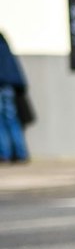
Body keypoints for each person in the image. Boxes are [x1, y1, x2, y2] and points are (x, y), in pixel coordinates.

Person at [0, 29, 31, 163]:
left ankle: (5, 154)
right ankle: (20, 153)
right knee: (12, 119)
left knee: (2, 121)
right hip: (9, 86)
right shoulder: (5, 45)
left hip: (1, 85)